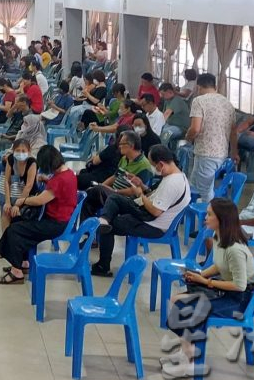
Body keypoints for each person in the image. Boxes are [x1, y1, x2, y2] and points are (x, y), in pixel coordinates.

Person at [160, 198, 254, 375]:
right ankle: (186, 351)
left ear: (221, 219)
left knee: (187, 308)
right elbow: (219, 266)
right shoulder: (219, 239)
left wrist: (206, 282)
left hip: (240, 301)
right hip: (226, 292)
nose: (205, 217)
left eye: (210, 214)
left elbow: (240, 285)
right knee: (175, 300)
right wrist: (200, 275)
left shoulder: (235, 248)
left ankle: (192, 362)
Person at [91, 145, 191, 277]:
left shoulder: (172, 183)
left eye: (153, 165)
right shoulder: (177, 175)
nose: (154, 169)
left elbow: (156, 211)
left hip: (153, 225)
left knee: (111, 226)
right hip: (149, 215)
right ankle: (104, 220)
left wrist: (140, 195)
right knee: (115, 198)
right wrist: (142, 186)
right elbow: (156, 197)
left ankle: (103, 266)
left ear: (161, 164)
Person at [0, 144, 80, 284]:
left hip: (56, 223)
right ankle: (22, 263)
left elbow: (41, 199)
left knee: (15, 230)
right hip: (61, 218)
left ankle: (17, 272)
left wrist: (23, 200)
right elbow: (57, 191)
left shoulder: (59, 180)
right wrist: (47, 181)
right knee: (18, 222)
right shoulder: (68, 173)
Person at [75, 131, 157, 218]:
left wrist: (114, 191)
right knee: (92, 191)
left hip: (125, 199)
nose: (119, 146)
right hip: (113, 191)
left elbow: (135, 191)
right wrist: (103, 185)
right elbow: (115, 176)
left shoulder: (144, 166)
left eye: (122, 143)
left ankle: (84, 223)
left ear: (131, 146)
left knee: (94, 192)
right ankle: (85, 222)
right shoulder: (125, 159)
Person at [185, 73, 234, 202]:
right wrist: (235, 152)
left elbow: (195, 128)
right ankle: (195, 215)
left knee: (206, 193)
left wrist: (188, 137)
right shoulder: (227, 103)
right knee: (194, 184)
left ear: (198, 87)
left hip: (205, 152)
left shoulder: (199, 101)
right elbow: (233, 131)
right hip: (222, 153)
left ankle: (210, 219)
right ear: (215, 86)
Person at [0, 138, 40, 231]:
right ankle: (5, 239)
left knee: (15, 212)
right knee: (6, 210)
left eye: (23, 151)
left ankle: (13, 237)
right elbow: (7, 181)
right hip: (15, 193)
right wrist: (7, 202)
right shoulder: (11, 159)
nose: (20, 153)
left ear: (29, 151)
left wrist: (17, 205)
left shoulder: (32, 163)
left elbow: (29, 186)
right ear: (13, 151)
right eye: (18, 150)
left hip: (28, 196)